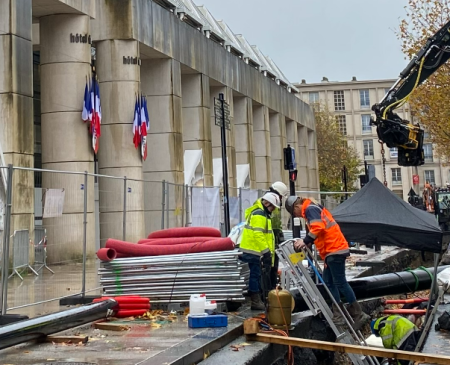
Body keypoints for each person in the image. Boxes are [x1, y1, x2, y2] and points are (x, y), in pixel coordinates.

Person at [284, 196, 370, 330]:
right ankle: (339, 313)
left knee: (339, 282)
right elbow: (321, 232)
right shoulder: (313, 208)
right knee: (328, 281)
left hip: (334, 249)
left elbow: (318, 227)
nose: (296, 215)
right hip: (332, 250)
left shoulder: (310, 209)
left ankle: (357, 313)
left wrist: (305, 240)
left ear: (296, 206)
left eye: (294, 212)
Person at [239, 192, 281, 310]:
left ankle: (257, 299)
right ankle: (255, 301)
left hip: (255, 250)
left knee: (257, 275)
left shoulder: (261, 213)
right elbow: (258, 234)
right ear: (267, 203)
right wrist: (266, 251)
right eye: (272, 206)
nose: (273, 210)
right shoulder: (259, 214)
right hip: (254, 250)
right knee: (255, 275)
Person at [267, 182, 289, 289]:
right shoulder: (274, 206)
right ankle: (271, 293)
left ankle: (269, 292)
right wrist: (281, 240)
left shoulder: (263, 201)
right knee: (272, 270)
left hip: (266, 244)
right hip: (271, 244)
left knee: (268, 271)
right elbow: (276, 226)